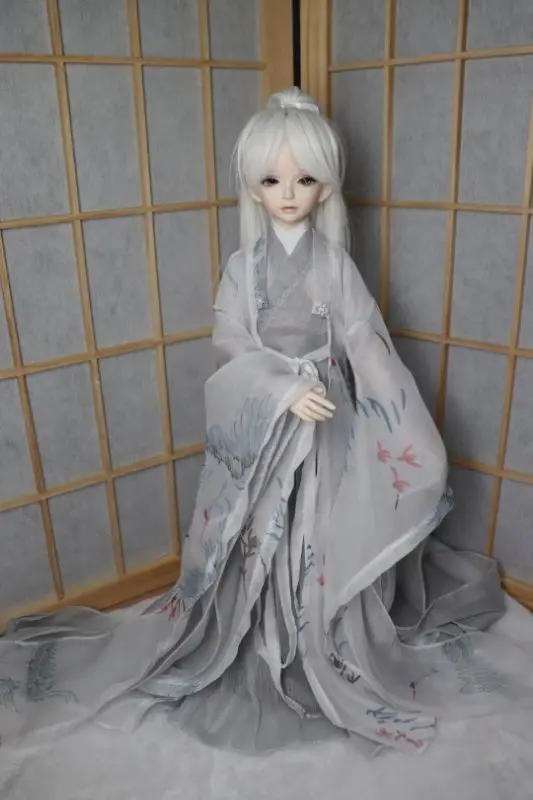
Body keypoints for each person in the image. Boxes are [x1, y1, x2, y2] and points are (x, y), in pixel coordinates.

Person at [1, 87, 532, 758]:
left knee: (320, 528)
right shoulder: (241, 269)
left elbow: (367, 345)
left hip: (329, 423)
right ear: (252, 187)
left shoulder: (333, 266)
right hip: (270, 428)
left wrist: (407, 430)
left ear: (325, 187)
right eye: (272, 180)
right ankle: (255, 629)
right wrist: (282, 388)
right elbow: (230, 344)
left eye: (305, 180)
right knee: (258, 534)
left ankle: (318, 632)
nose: (288, 194)